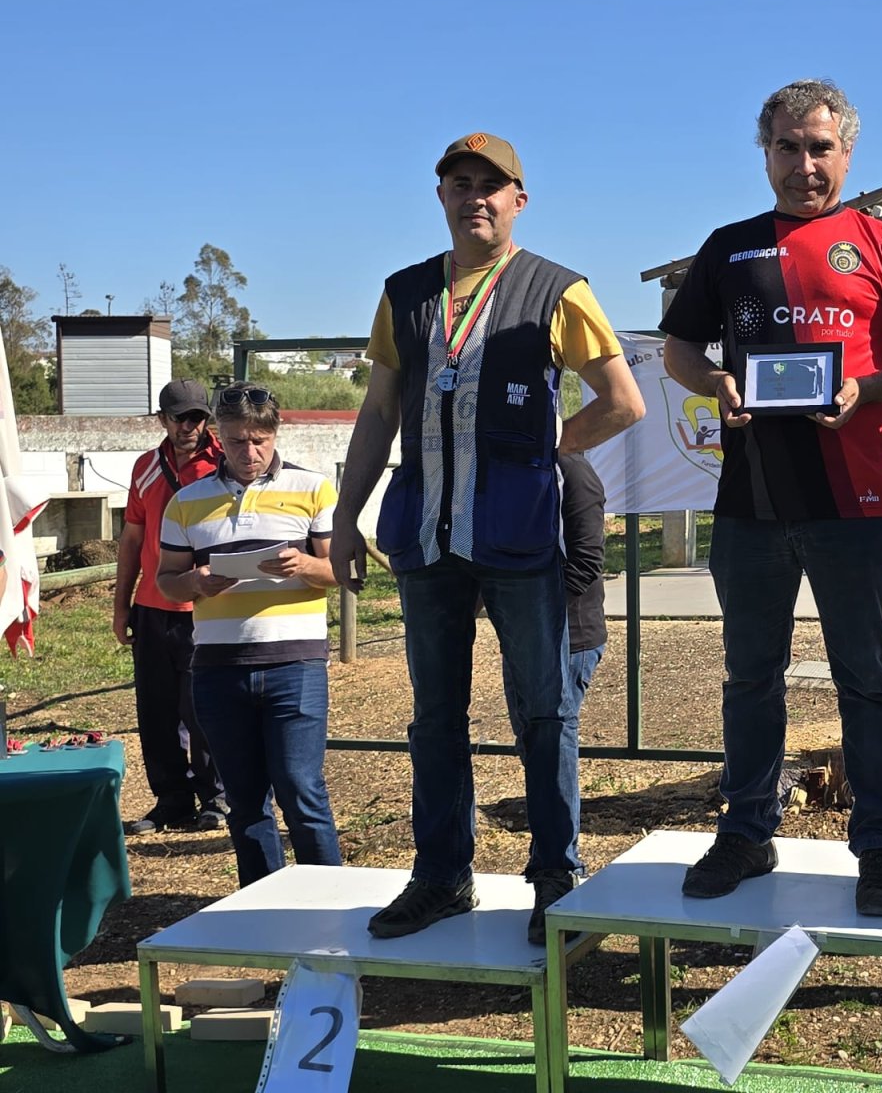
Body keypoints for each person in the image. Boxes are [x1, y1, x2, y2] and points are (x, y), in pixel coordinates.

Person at [331, 132, 645, 944]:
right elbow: (378, 411)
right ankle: (442, 877)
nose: (475, 196)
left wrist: (548, 449)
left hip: (518, 536)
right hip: (425, 536)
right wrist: (344, 515)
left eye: (490, 185)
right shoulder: (405, 294)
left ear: (518, 200)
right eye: (460, 183)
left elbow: (623, 401)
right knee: (435, 717)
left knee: (544, 713)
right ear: (441, 196)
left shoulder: (557, 289)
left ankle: (556, 880)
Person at [660, 79, 882, 917]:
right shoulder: (729, 247)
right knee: (750, 677)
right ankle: (747, 832)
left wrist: (867, 390)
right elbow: (681, 349)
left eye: (820, 148)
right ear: (766, 153)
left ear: (847, 154)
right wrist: (715, 380)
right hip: (750, 504)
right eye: (787, 148)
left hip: (851, 505)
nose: (804, 165)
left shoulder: (880, 243)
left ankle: (881, 847)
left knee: (867, 679)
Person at [157, 382, 342, 886]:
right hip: (218, 669)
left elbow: (342, 570)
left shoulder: (314, 489)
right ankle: (263, 905)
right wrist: (195, 582)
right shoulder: (186, 502)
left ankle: (330, 903)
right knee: (244, 799)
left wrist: (306, 565)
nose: (250, 451)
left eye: (260, 440)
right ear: (219, 435)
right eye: (238, 441)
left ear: (276, 433)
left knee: (302, 790)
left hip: (295, 663)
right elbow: (165, 580)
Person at [114, 378, 229, 835]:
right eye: (179, 418)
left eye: (197, 417)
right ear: (162, 419)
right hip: (152, 607)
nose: (189, 426)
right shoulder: (145, 467)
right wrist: (122, 605)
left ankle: (217, 797)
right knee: (156, 711)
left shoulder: (224, 464)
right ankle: (172, 799)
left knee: (203, 708)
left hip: (205, 607)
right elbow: (132, 539)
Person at [557, 452, 608, 701]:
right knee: (524, 722)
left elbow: (586, 562)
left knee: (554, 722)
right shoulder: (511, 467)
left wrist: (537, 615)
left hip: (572, 637)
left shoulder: (573, 470)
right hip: (521, 635)